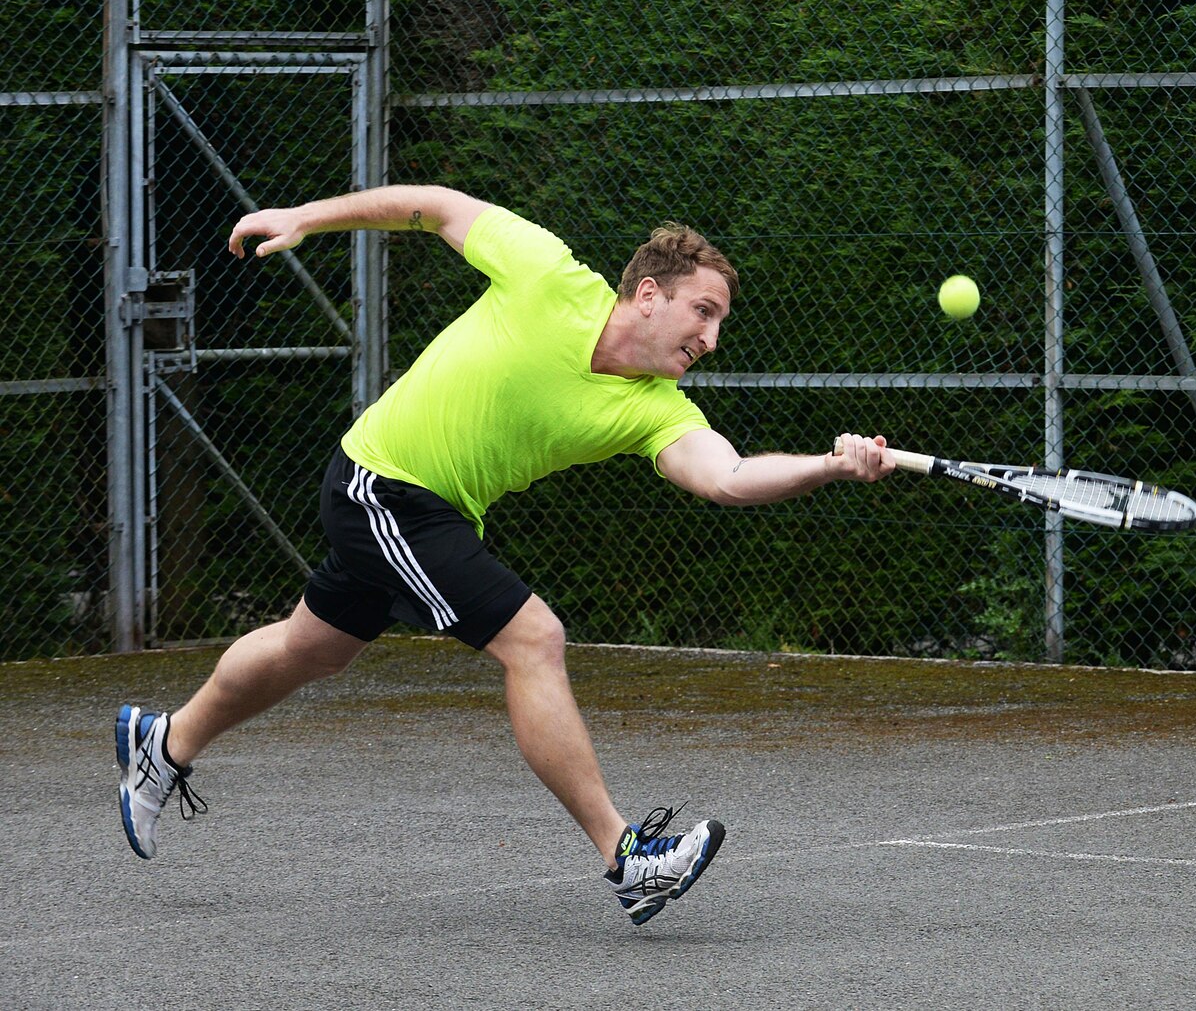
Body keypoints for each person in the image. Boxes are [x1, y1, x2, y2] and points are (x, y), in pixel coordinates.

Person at [114, 185, 895, 925]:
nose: (711, 338)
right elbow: (433, 208)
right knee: (534, 639)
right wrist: (307, 217)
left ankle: (165, 744)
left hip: (434, 510)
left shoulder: (656, 409)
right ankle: (629, 860)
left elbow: (726, 478)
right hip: (383, 486)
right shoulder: (547, 275)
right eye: (703, 311)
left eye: (720, 322)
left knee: (309, 648)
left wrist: (831, 465)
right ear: (649, 294)